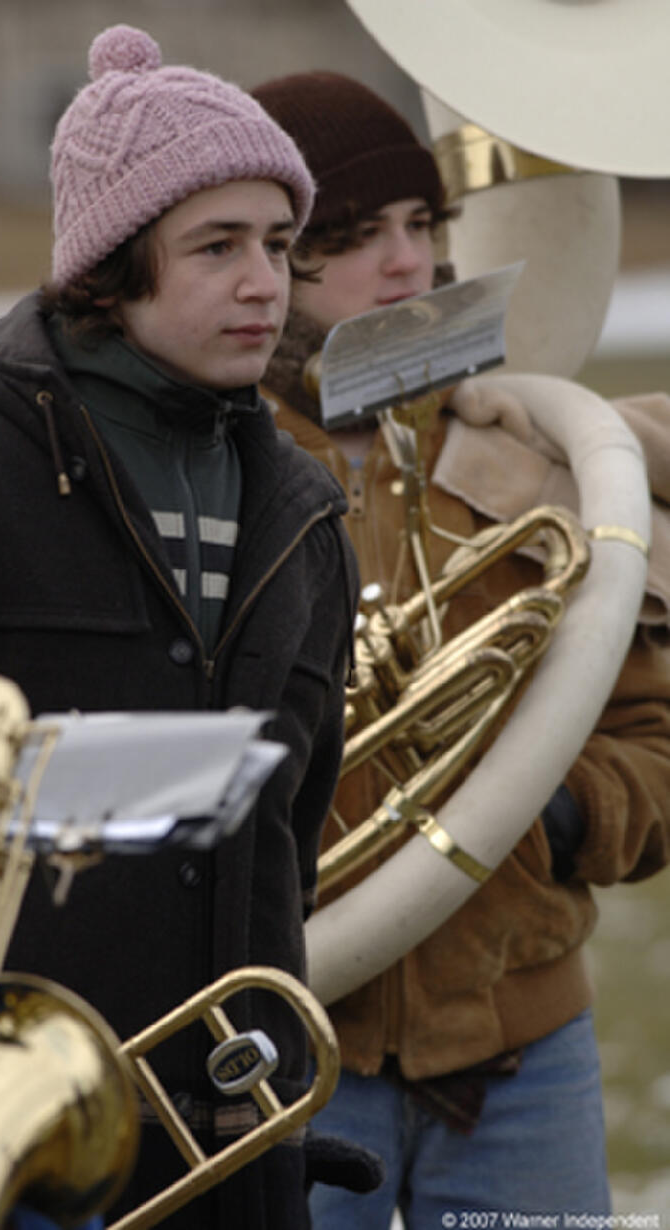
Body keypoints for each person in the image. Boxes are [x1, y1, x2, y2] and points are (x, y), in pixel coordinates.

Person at [0, 28, 360, 1228]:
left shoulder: (305, 504)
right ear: (113, 265)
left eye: (280, 245)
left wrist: (265, 1072)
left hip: (233, 1141)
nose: (263, 283)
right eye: (216, 247)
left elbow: (292, 824)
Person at [252, 70, 670, 1226]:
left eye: (422, 224)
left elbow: (649, 741)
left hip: (523, 1056)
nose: (408, 263)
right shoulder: (209, 485)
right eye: (347, 238)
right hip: (292, 1060)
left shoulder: (525, 453)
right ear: (263, 257)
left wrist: (552, 818)